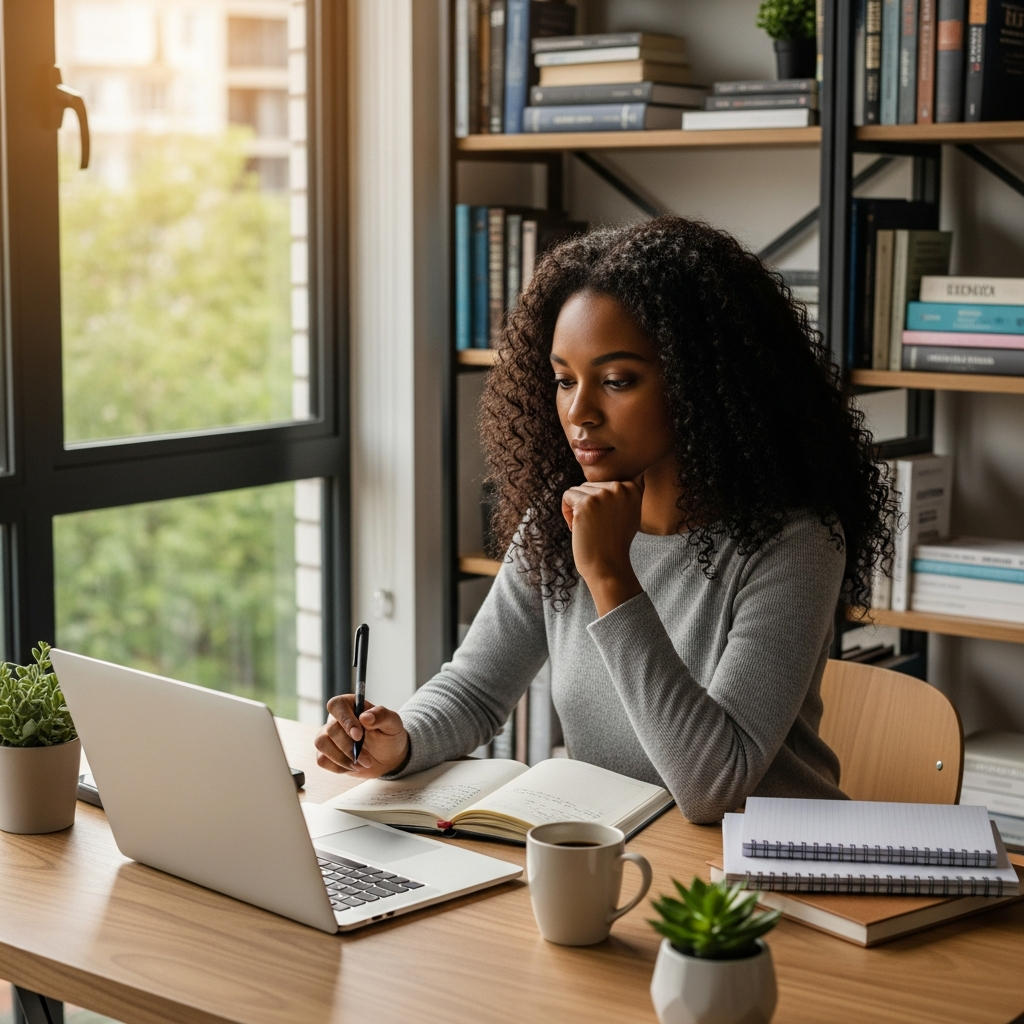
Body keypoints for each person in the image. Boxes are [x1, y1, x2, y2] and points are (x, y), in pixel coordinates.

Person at [314, 216, 893, 823]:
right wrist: (398, 742)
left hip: (767, 873)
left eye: (617, 380)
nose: (579, 412)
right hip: (624, 852)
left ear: (702, 384)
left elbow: (715, 786)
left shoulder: (793, 541)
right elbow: (476, 689)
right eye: (564, 380)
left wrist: (611, 575)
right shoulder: (558, 518)